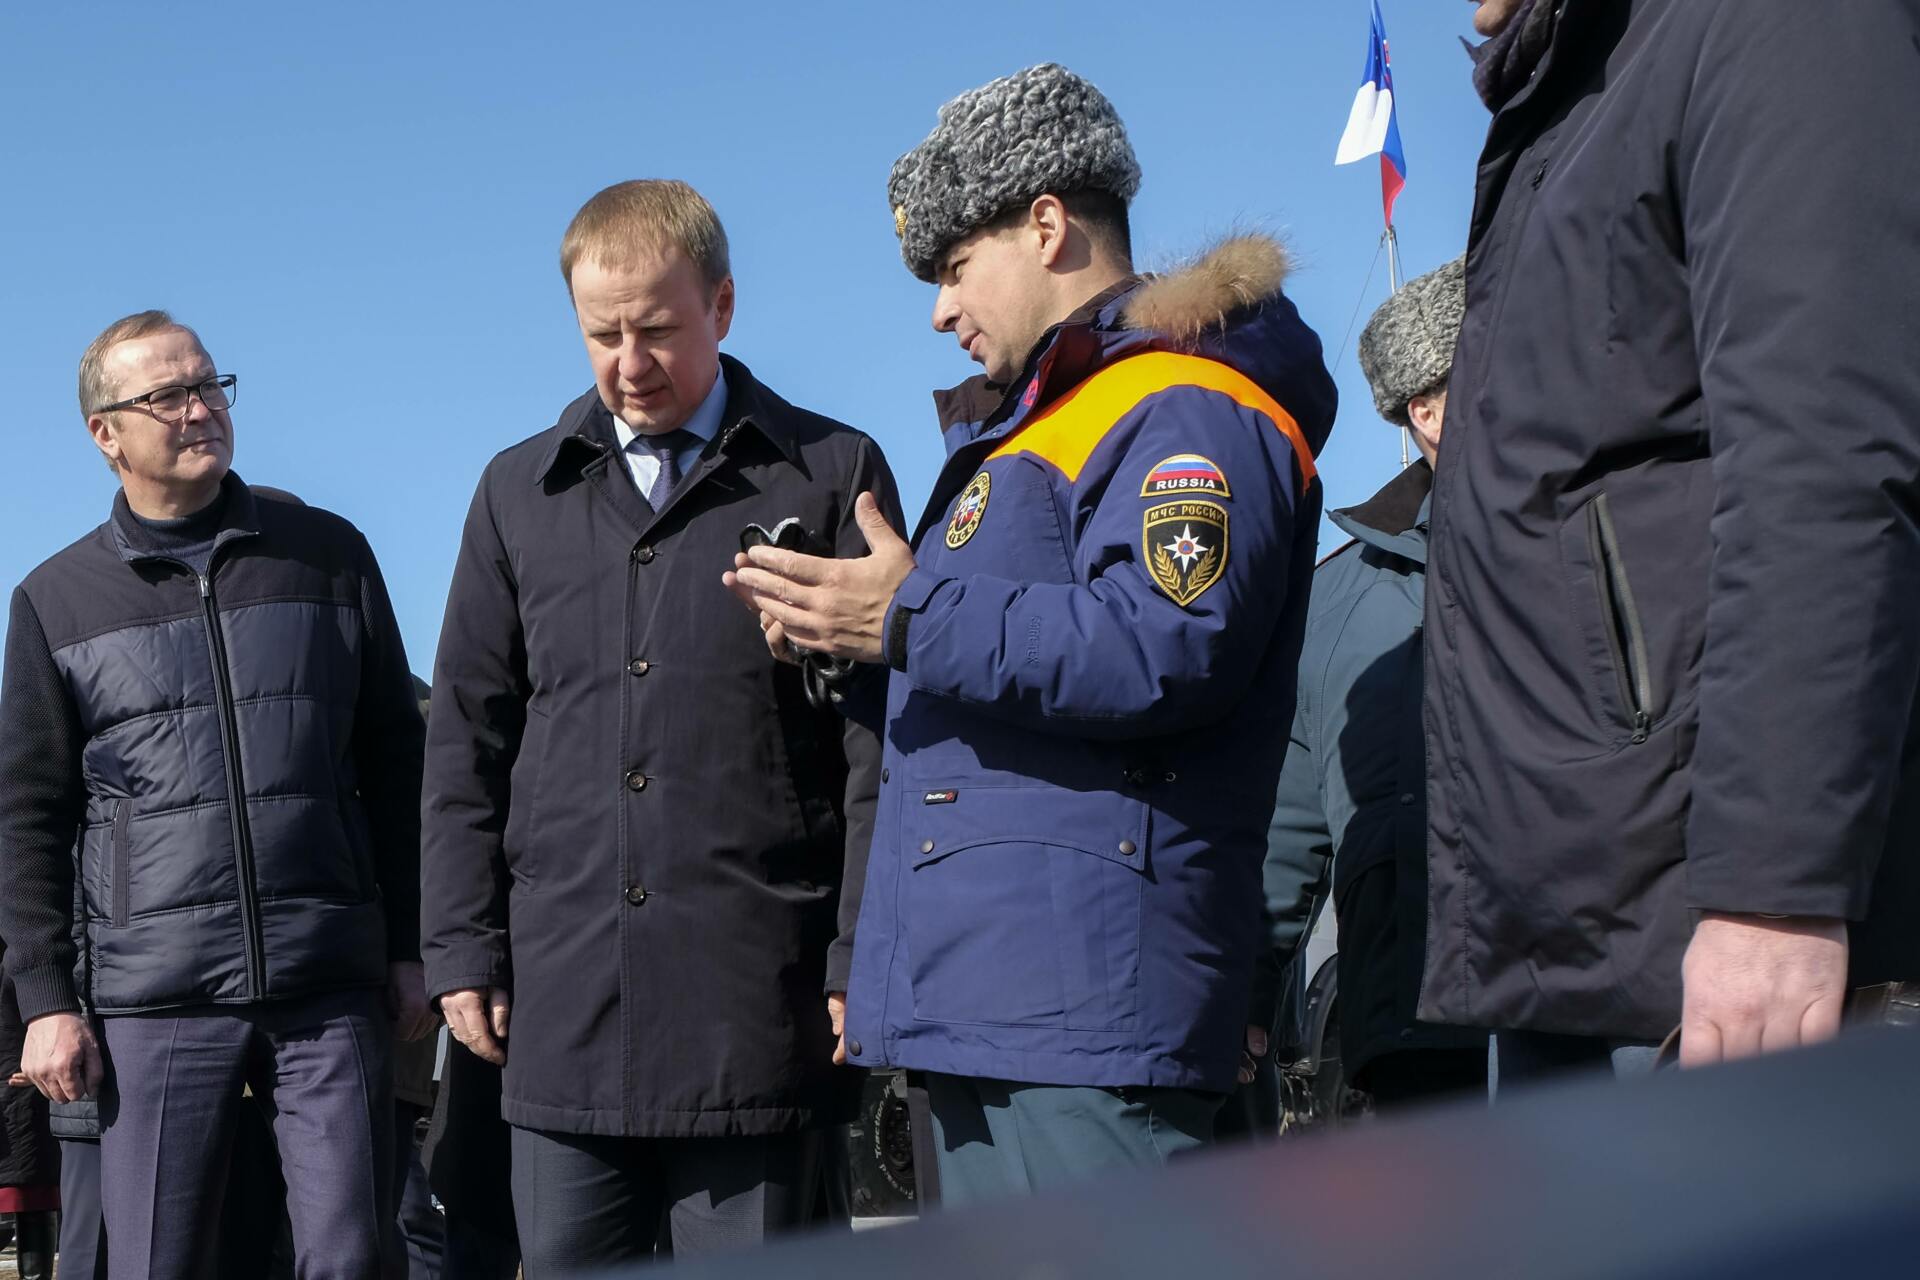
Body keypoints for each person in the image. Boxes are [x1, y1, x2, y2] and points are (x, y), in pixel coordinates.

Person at [728, 64, 1336, 1200]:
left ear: (1047, 226)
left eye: (955, 267)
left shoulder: (1185, 403)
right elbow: (995, 677)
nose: (940, 310)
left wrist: (907, 613)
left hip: (1089, 1022)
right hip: (1002, 1010)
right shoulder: (1037, 428)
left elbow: (1167, 644)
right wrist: (847, 645)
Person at [1424, 0, 1920, 1084]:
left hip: (1723, 950)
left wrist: (1774, 886)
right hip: (1581, 946)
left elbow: (1821, 460)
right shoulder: (1577, 87)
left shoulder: (1769, 22)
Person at [421, 179, 898, 1273]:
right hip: (563, 1012)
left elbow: (879, 747)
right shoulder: (516, 492)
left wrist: (861, 950)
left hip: (757, 1011)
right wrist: (459, 947)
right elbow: (466, 741)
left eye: (657, 331)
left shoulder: (831, 473)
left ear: (722, 306)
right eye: (603, 335)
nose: (630, 364)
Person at [0, 310, 433, 1279]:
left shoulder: (329, 555)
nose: (201, 410)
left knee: (355, 1254)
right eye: (168, 395)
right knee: (156, 1261)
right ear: (105, 432)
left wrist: (413, 943)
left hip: (329, 977)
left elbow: (398, 766)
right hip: (154, 996)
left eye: (209, 385)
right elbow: (28, 814)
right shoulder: (56, 599)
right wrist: (46, 998)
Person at [1261, 258, 1487, 1112]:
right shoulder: (1335, 602)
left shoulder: (1610, 528)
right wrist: (1242, 1000)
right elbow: (1284, 838)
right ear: (1427, 411)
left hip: (1614, 1012)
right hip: (1417, 1034)